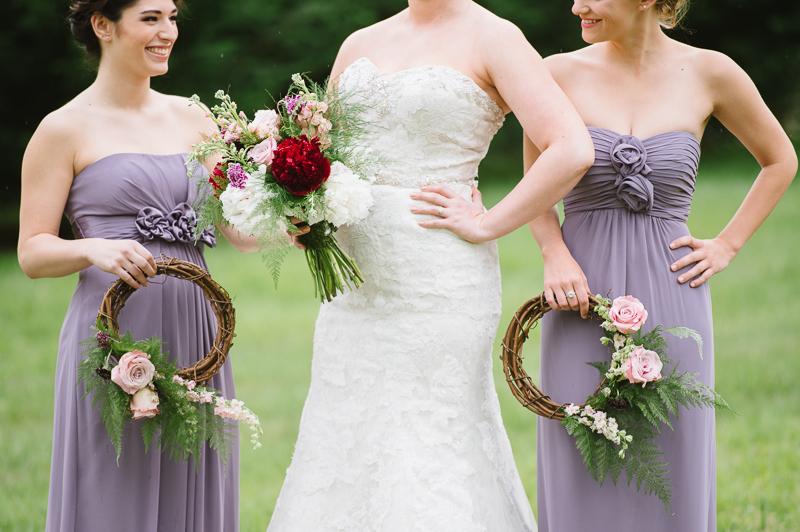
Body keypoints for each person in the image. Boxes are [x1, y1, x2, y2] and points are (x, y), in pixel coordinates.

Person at [270, 0, 595, 530]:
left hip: (438, 281)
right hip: (354, 286)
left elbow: (571, 148)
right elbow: (325, 156)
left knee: (427, 437)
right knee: (346, 429)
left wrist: (490, 223)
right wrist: (306, 214)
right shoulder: (359, 42)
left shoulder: (495, 37)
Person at [520, 1, 796, 531]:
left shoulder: (711, 71)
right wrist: (554, 254)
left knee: (673, 445)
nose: (577, 5)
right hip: (580, 294)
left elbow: (780, 159)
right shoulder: (554, 74)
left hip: (673, 290)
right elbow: (536, 185)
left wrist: (728, 244)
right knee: (581, 444)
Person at [17, 1, 269, 530]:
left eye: (172, 18)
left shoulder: (195, 117)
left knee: (192, 477)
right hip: (114, 333)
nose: (168, 32)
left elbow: (241, 231)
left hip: (199, 332)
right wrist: (92, 249)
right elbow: (32, 252)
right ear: (103, 25)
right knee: (115, 485)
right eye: (150, 18)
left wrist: (302, 206)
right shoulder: (61, 129)